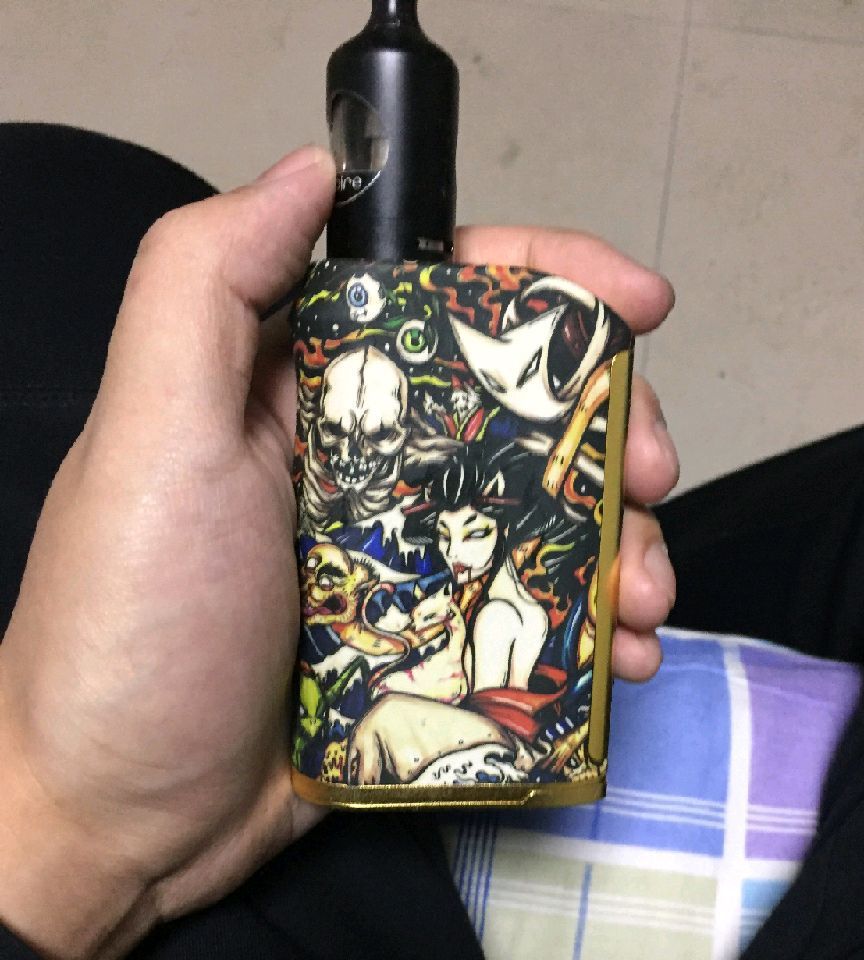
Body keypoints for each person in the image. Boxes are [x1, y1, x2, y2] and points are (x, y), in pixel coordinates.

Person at [0, 125, 676, 959]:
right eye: (342, 438)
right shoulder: (376, 541)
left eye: (380, 437)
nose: (355, 459)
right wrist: (68, 821)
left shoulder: (466, 571)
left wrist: (66, 824)